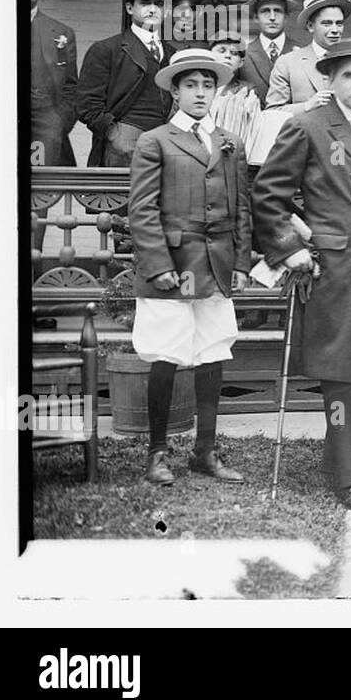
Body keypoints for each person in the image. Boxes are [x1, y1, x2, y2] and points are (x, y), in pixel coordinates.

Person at [251, 38, 351, 513]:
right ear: (330, 81)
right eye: (348, 76)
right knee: (340, 372)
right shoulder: (308, 127)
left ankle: (345, 462)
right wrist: (291, 249)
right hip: (332, 268)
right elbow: (267, 197)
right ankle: (345, 476)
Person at [126, 49, 252, 486]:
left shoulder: (228, 142)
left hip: (216, 264)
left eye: (208, 85)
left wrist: (240, 262)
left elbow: (242, 208)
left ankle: (206, 451)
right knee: (166, 353)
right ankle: (157, 453)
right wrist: (158, 264)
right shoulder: (155, 140)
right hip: (174, 266)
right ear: (175, 91)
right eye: (191, 86)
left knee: (213, 353)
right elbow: (142, 210)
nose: (200, 93)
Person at [77, 0, 177, 166]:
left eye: (158, 4)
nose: (152, 9)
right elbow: (86, 103)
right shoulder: (106, 49)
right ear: (130, 8)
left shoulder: (172, 53)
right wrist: (114, 134)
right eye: (145, 3)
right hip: (123, 147)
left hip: (166, 145)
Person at [28, 0, 79, 168]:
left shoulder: (60, 32)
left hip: (45, 130)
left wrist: (58, 124)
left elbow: (71, 87)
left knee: (40, 191)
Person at [265, 0, 351, 112]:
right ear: (311, 26)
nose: (335, 30)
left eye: (339, 23)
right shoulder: (288, 63)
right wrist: (307, 106)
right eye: (327, 24)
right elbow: (272, 112)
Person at [238, 0, 309, 97]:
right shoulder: (244, 54)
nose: (272, 17)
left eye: (277, 11)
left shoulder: (302, 52)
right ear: (256, 17)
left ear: (286, 17)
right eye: (265, 11)